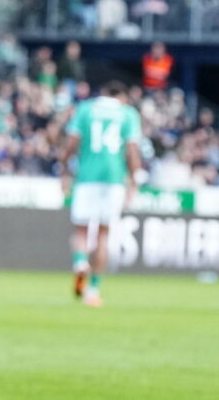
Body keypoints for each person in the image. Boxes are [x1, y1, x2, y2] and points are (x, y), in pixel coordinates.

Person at [59, 81, 142, 307]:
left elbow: (72, 143)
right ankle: (93, 290)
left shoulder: (86, 109)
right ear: (122, 96)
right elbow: (132, 149)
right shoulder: (128, 114)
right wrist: (134, 181)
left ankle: (79, 262)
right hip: (114, 179)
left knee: (82, 231)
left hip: (86, 177)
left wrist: (64, 169)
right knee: (103, 235)